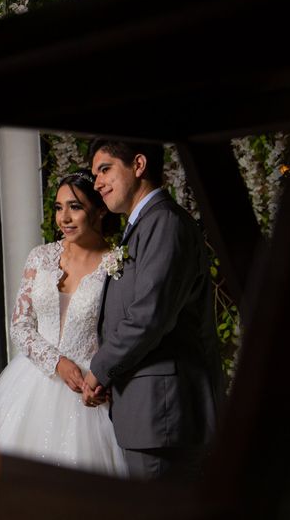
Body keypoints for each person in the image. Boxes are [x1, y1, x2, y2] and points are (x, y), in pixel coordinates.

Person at [82, 139, 224, 480]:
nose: (97, 182)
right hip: (147, 412)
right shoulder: (143, 226)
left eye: (105, 169)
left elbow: (148, 317)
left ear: (139, 165)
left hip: (163, 412)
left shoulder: (164, 224)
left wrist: (100, 369)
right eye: (95, 173)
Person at [0, 170, 128, 477]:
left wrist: (105, 378)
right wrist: (57, 362)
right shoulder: (40, 257)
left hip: (90, 387)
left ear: (100, 208)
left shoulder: (117, 263)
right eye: (59, 207)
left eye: (75, 207)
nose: (64, 217)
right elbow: (20, 324)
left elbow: (124, 332)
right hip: (34, 381)